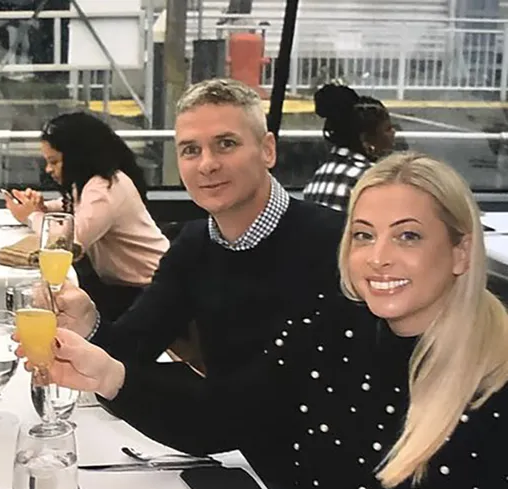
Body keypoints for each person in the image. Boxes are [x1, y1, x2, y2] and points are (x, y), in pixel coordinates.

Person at [30, 153, 508, 489]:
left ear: (460, 251)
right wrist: (110, 376)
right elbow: (224, 416)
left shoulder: (494, 377)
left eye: (407, 237)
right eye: (364, 235)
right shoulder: (337, 323)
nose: (379, 257)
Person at [55, 79, 344, 379]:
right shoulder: (193, 247)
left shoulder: (337, 246)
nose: (207, 165)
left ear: (268, 150)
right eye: (191, 150)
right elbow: (130, 350)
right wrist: (88, 323)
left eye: (226, 144)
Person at [3, 112, 169, 320]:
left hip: (148, 290)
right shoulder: (89, 182)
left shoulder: (103, 188)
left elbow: (69, 242)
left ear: (76, 157)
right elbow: (76, 212)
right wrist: (43, 207)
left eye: (54, 162)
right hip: (124, 286)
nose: (48, 170)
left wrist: (32, 216)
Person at [302, 83, 395, 212]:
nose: (393, 133)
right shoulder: (370, 178)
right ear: (365, 138)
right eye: (388, 129)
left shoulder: (319, 175)